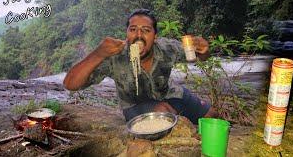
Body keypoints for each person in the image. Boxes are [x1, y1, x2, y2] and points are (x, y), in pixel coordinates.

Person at [63, 9, 218, 124]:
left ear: (155, 36)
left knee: (212, 115)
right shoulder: (115, 56)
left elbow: (201, 56)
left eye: (146, 30)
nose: (138, 35)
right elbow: (70, 84)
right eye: (133, 30)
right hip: (135, 105)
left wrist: (204, 49)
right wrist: (97, 54)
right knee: (164, 114)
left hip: (170, 94)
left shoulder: (166, 48)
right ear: (127, 33)